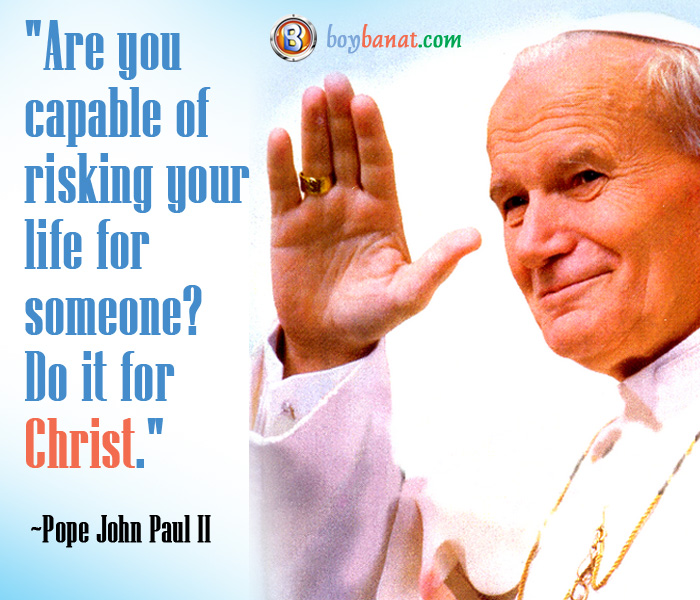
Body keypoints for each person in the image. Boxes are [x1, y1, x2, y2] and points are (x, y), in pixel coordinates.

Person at [250, 14, 700, 600]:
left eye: (584, 177)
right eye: (513, 203)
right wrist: (324, 350)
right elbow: (327, 585)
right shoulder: (522, 479)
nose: (534, 244)